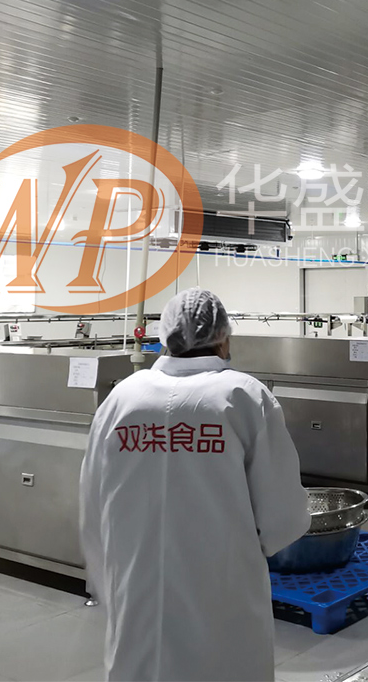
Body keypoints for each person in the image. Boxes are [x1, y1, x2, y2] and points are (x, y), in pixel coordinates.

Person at [79, 288, 310, 682]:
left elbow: (91, 500)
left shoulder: (121, 399)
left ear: (165, 337)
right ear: (223, 338)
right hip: (222, 586)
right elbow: (283, 517)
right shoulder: (244, 396)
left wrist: (108, 571)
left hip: (136, 587)